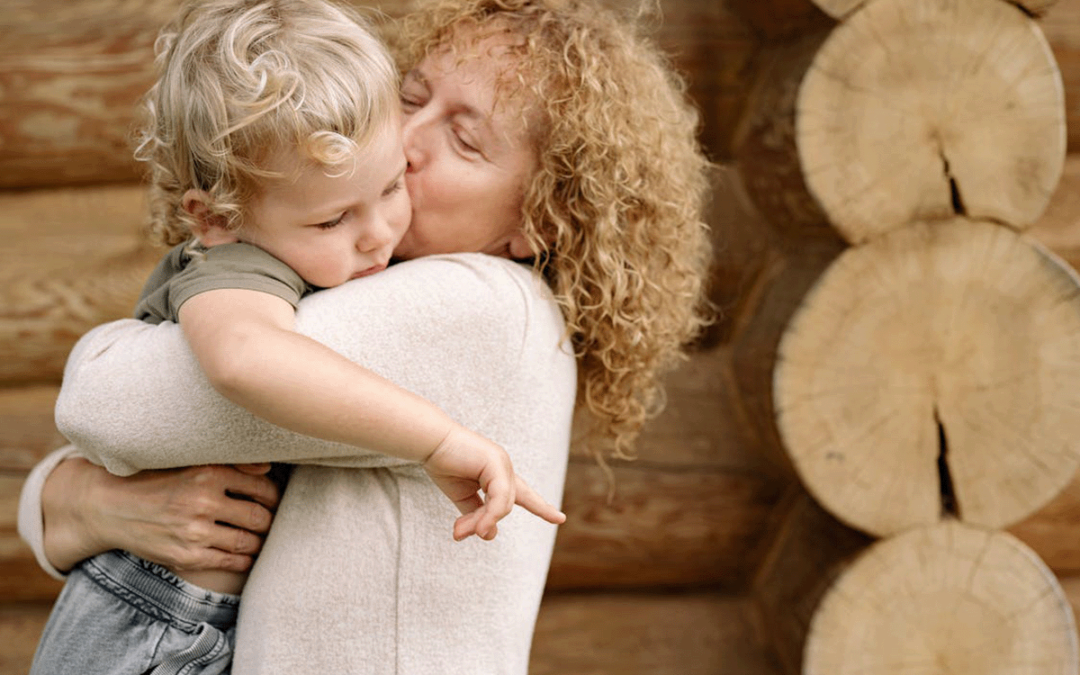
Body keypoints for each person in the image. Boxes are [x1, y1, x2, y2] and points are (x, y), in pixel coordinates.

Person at [19, 0, 714, 672]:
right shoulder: (344, 278)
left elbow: (108, 399)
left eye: (464, 140)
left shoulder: (482, 307)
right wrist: (83, 504)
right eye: (410, 99)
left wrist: (77, 499)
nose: (405, 145)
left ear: (541, 219)